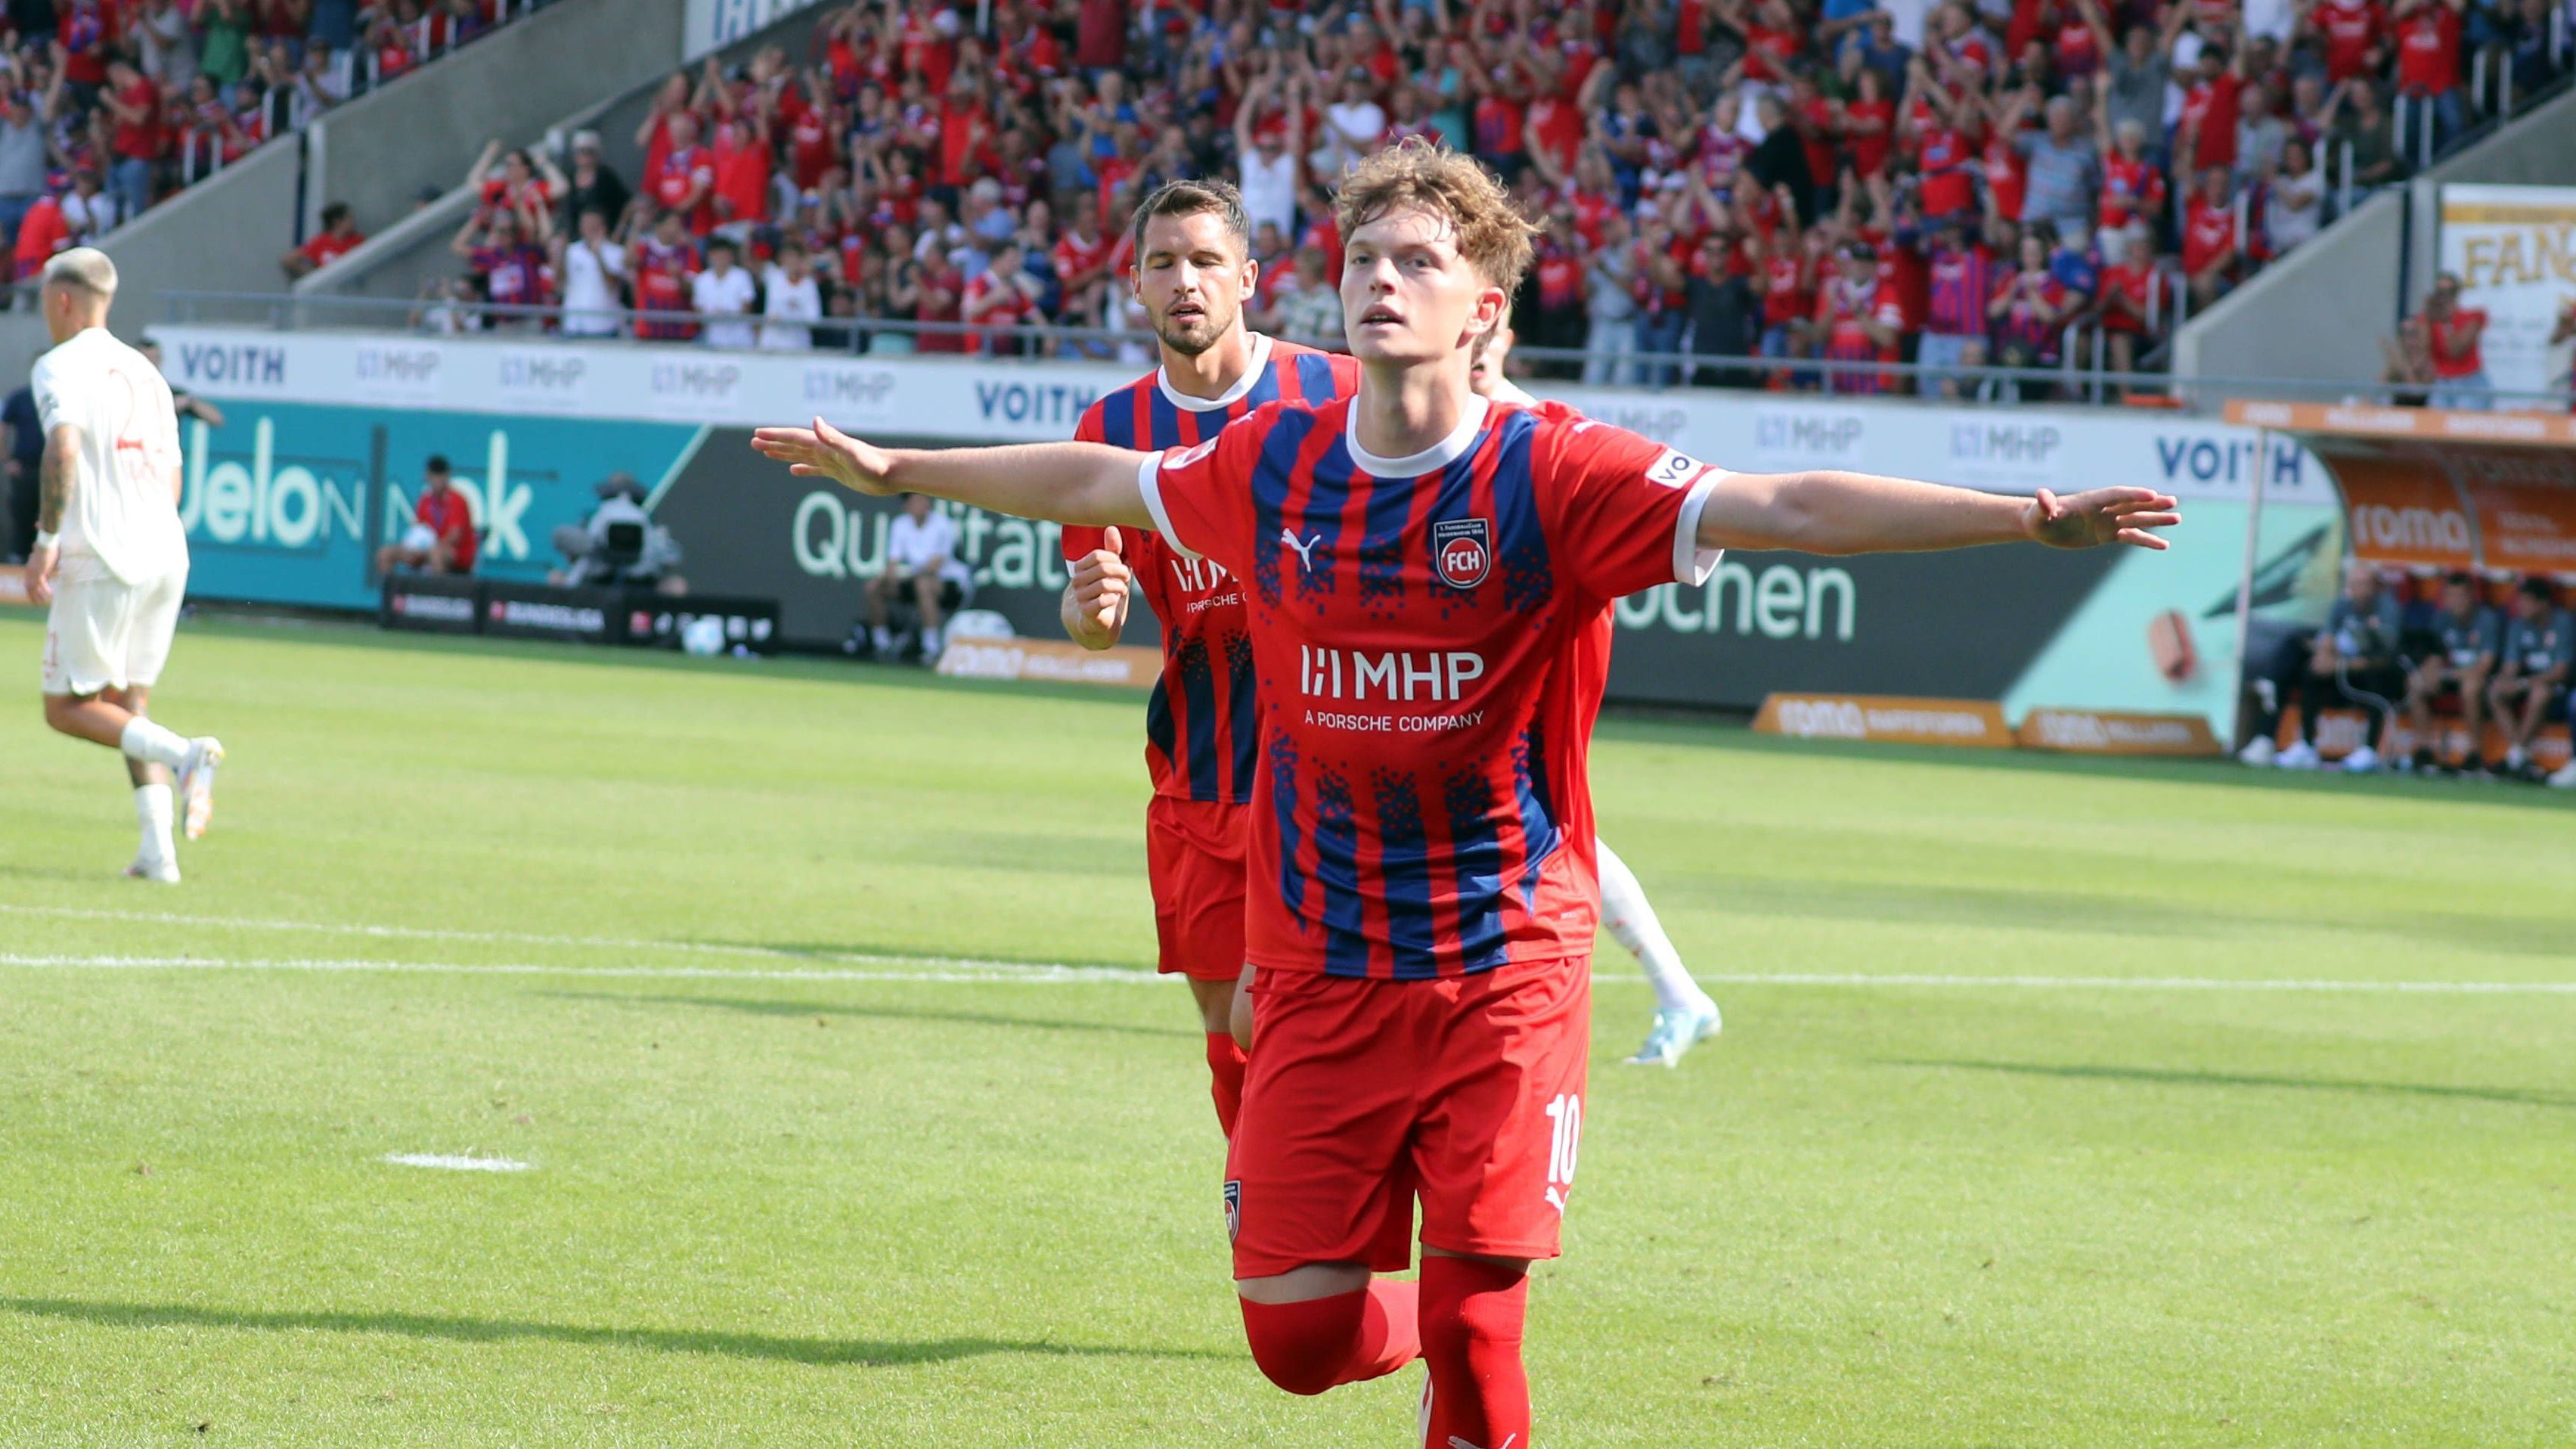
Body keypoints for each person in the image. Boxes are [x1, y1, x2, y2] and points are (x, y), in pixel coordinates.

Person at [754, 139, 2178, 1447]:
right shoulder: (1274, 459)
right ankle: (1402, 1332)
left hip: (1504, 965)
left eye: (1418, 260)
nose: (1382, 280)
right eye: (1365, 258)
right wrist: (895, 467)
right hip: (1319, 965)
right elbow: (1102, 474)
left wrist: (2023, 517)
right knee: (1299, 1341)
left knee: (1476, 1326)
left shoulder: (1556, 469)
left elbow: (1786, 505)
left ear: (1485, 308)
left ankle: (1459, 1344)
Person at [1057, 178, 1360, 1137]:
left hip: (1325, 772)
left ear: (1248, 281)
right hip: (1197, 774)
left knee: (1294, 1024)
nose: (1183, 281)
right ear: (1135, 287)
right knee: (1228, 1037)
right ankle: (1265, 1224)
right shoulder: (1108, 430)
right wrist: (1085, 610)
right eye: (1162, 263)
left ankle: (1322, 1229)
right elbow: (1094, 617)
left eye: (1203, 261)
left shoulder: (1338, 392)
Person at [1469, 322, 1726, 1068]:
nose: (1475, 345)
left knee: (1553, 826)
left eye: (1490, 333)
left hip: (1529, 679)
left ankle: (1670, 993)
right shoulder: (1407, 433)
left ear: (1503, 331)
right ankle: (1677, 992)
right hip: (1449, 682)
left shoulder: (1553, 438)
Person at [22, 249, 223, 883]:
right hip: (166, 549)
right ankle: (158, 854)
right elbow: (173, 476)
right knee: (127, 702)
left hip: (101, 552)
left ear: (61, 301)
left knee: (68, 708)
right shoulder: (146, 372)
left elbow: (63, 448)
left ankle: (185, 754)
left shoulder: (58, 365)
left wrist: (47, 536)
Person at [2242, 560, 2404, 771]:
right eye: (2355, 584)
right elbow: (2328, 637)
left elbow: (2386, 657)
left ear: (2375, 587)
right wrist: (2324, 654)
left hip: (2374, 671)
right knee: (2310, 670)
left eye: (2365, 584)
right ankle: (2305, 745)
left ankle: (2370, 751)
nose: (2360, 590)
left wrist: (2338, 665)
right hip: (2344, 670)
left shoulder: (2387, 609)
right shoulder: (2343, 605)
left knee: (2378, 680)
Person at [2401, 570, 2497, 774]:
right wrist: (2429, 673)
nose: (2455, 602)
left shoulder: (2487, 619)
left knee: (2471, 687)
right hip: (2449, 676)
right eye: (2450, 596)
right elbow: (2433, 657)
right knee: (2416, 683)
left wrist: (2452, 674)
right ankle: (2425, 750)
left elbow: (2484, 666)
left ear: (2472, 596)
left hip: (2476, 679)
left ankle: (2474, 753)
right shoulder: (2442, 619)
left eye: (2460, 596)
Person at [2485, 577, 2571, 782]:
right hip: (2527, 684)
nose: (2521, 606)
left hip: (2558, 689)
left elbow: (2560, 672)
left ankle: (2515, 756)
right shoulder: (2518, 625)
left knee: (2541, 691)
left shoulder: (2562, 622)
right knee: (2496, 691)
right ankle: (2519, 755)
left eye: (2527, 601)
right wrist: (2506, 681)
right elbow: (2510, 667)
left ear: (2543, 603)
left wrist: (2522, 683)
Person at [866, 492, 966, 660]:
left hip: (949, 584)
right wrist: (890, 577)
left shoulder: (943, 525)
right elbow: (893, 561)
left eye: (924, 500)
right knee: (873, 587)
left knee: (923, 585)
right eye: (917, 501)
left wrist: (903, 575)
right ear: (906, 506)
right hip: (913, 580)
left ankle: (931, 647)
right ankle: (882, 643)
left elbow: (935, 566)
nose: (923, 504)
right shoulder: (900, 525)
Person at [374, 454, 476, 576]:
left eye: (441, 475)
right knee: (385, 554)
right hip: (426, 550)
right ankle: (393, 594)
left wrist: (428, 549)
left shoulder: (457, 500)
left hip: (456, 554)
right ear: (428, 476)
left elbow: (454, 536)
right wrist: (413, 549)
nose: (438, 480)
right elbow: (418, 529)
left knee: (436, 555)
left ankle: (437, 594)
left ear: (447, 476)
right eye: (434, 475)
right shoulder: (426, 500)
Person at [690, 236, 759, 349]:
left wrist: (728, 315)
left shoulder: (742, 276)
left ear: (731, 256)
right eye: (718, 254)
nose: (721, 258)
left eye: (725, 255)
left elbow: (747, 305)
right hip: (713, 339)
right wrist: (712, 316)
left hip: (740, 338)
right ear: (711, 255)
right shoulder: (702, 279)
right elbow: (698, 309)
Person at [280, 200, 365, 280]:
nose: (353, 222)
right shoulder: (320, 241)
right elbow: (289, 259)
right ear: (337, 221)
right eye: (349, 219)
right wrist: (313, 275)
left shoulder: (358, 241)